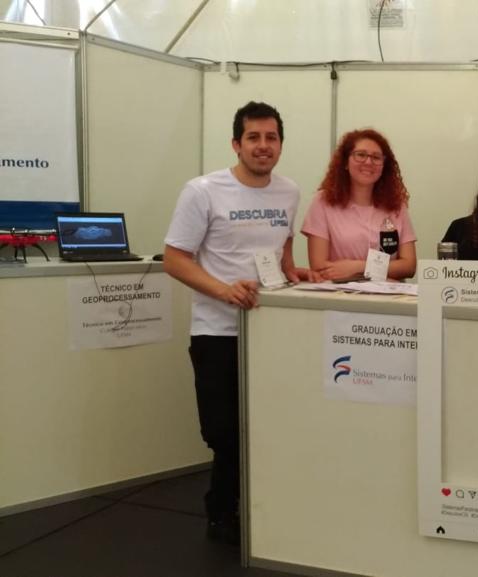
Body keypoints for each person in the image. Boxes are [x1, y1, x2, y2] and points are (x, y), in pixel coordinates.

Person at [163, 101, 317, 545]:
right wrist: (223, 290)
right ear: (237, 143)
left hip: (271, 332)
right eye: (254, 137)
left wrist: (297, 272)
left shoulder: (288, 191)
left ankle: (260, 508)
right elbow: (174, 260)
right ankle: (222, 510)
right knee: (223, 431)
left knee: (268, 425)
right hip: (218, 331)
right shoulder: (202, 191)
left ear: (280, 145)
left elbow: (283, 251)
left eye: (271, 138)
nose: (263, 146)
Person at [302, 129, 416, 280]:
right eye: (361, 155)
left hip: (388, 299)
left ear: (384, 166)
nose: (368, 162)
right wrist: (383, 270)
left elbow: (409, 266)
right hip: (341, 298)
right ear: (345, 163)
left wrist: (357, 267)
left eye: (376, 157)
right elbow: (320, 267)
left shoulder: (396, 205)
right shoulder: (323, 201)